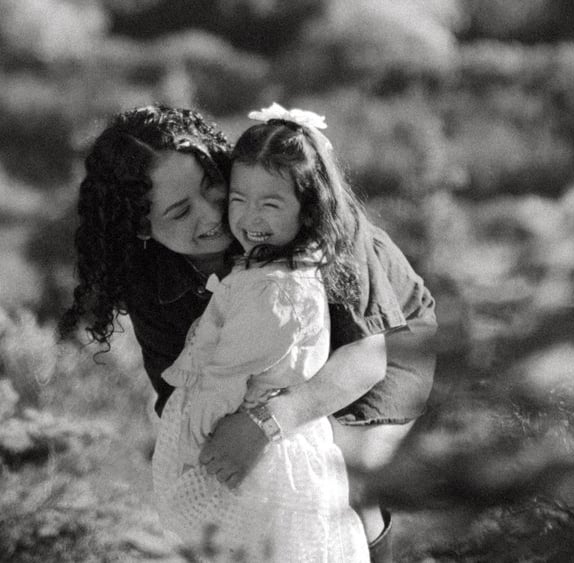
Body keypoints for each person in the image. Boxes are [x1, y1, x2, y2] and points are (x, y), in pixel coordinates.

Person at [60, 104, 436, 562]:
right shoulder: (148, 280)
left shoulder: (311, 207)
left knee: (335, 466)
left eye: (212, 186)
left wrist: (269, 421)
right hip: (265, 368)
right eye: (180, 211)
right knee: (244, 489)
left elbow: (365, 358)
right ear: (142, 226)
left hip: (381, 346)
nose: (212, 215)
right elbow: (181, 395)